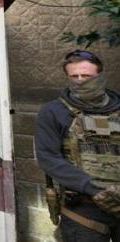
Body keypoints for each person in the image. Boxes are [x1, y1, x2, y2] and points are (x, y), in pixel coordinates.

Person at [35, 49, 120, 241]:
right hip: (83, 207)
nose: (80, 80)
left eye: (87, 76)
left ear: (100, 75)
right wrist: (95, 189)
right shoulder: (53, 111)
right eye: (74, 76)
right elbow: (48, 158)